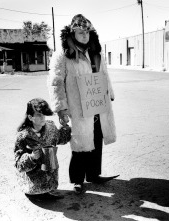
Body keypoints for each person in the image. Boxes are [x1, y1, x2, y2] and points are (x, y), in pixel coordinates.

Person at [47, 14, 118, 194]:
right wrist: (61, 108)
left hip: (97, 102)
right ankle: (77, 180)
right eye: (80, 32)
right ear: (72, 33)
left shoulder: (95, 52)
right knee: (80, 142)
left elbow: (104, 74)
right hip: (77, 107)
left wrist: (109, 92)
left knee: (96, 138)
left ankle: (94, 174)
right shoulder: (63, 55)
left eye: (87, 32)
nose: (84, 35)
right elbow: (56, 82)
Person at [14, 98, 71, 200]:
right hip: (32, 178)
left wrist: (64, 126)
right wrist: (31, 157)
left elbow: (61, 139)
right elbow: (18, 164)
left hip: (50, 170)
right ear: (30, 117)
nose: (43, 117)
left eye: (43, 114)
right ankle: (34, 193)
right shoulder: (23, 136)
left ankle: (47, 189)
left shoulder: (51, 128)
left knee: (50, 167)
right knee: (36, 191)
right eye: (39, 115)